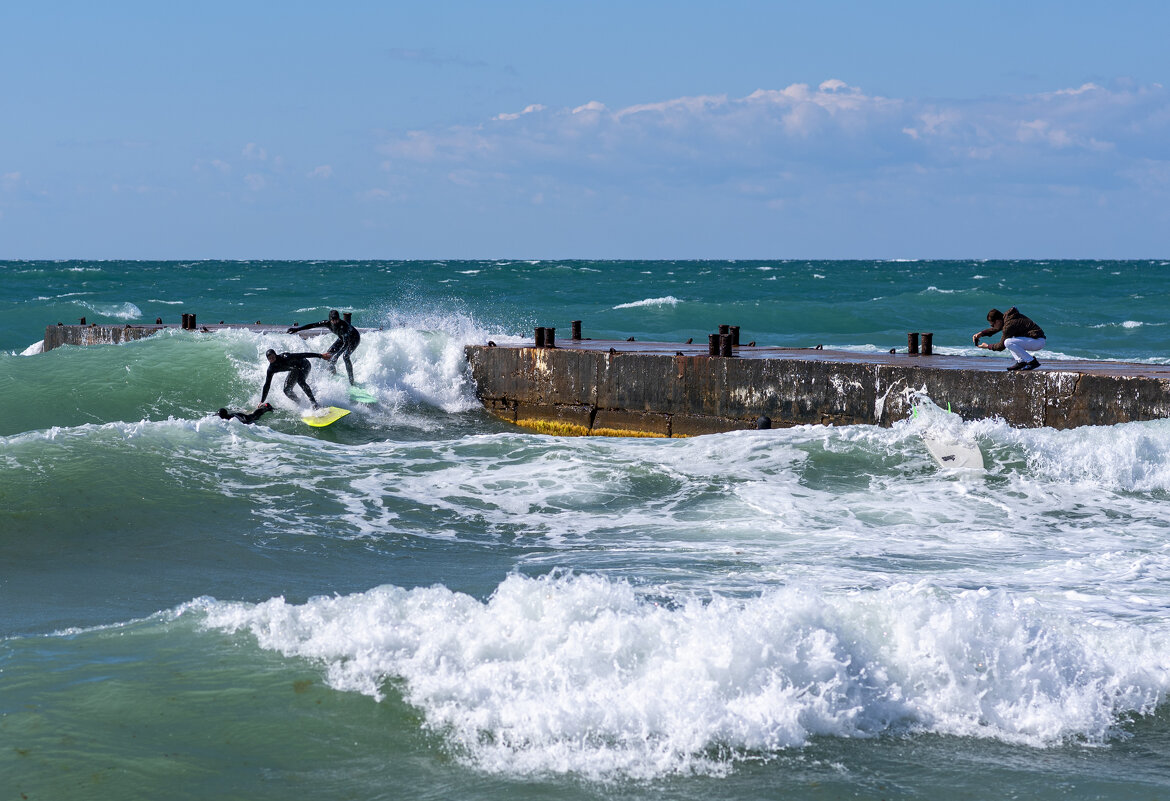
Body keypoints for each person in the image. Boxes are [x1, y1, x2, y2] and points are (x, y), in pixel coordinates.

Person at [287, 310, 361, 385]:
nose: (335, 322)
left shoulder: (343, 326)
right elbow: (312, 325)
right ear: (330, 320)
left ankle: (351, 380)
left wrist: (337, 356)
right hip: (342, 338)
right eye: (333, 320)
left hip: (354, 339)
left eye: (337, 320)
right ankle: (333, 373)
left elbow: (345, 344)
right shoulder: (326, 323)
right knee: (329, 354)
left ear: (339, 318)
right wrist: (297, 329)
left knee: (345, 356)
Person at [973, 307, 1046, 370]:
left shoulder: (1010, 324)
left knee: (1007, 342)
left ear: (998, 321)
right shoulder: (1007, 319)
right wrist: (981, 334)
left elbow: (1001, 346)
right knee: (1010, 340)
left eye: (992, 324)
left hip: (1037, 341)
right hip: (1034, 340)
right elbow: (997, 328)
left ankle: (1032, 361)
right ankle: (1021, 362)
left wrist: (987, 346)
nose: (992, 327)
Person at [260, 349, 326, 408]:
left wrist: (320, 355)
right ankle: (301, 403)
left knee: (300, 381)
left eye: (273, 357)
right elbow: (267, 385)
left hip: (305, 365)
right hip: (295, 369)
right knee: (286, 390)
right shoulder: (271, 369)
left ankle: (314, 403)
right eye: (270, 358)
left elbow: (302, 355)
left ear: (275, 355)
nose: (272, 359)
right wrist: (262, 401)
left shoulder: (285, 357)